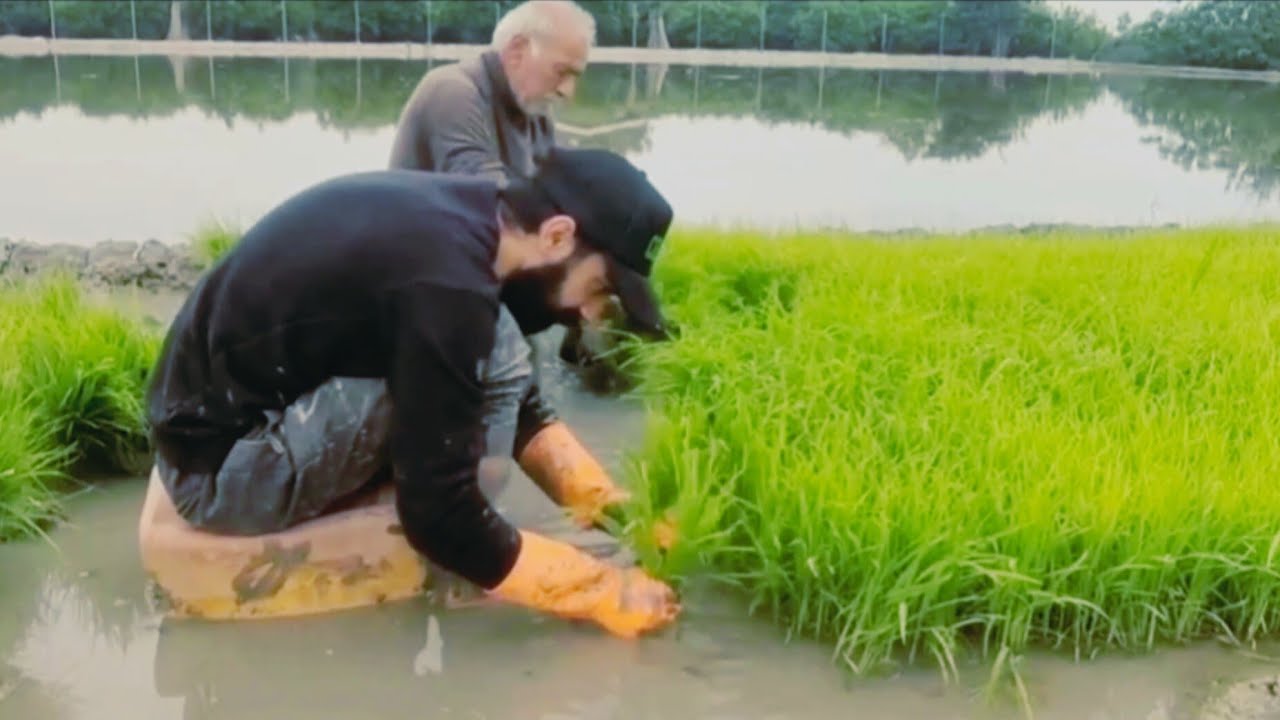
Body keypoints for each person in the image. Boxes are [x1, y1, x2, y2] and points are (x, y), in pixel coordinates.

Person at [144, 148, 678, 638]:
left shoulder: (468, 222)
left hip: (216, 419)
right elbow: (438, 515)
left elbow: (517, 401)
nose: (590, 313)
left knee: (485, 348)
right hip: (218, 473)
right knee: (467, 371)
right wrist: (599, 590)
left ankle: (489, 538)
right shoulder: (448, 286)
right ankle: (464, 578)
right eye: (601, 288)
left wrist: (611, 510)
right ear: (558, 236)